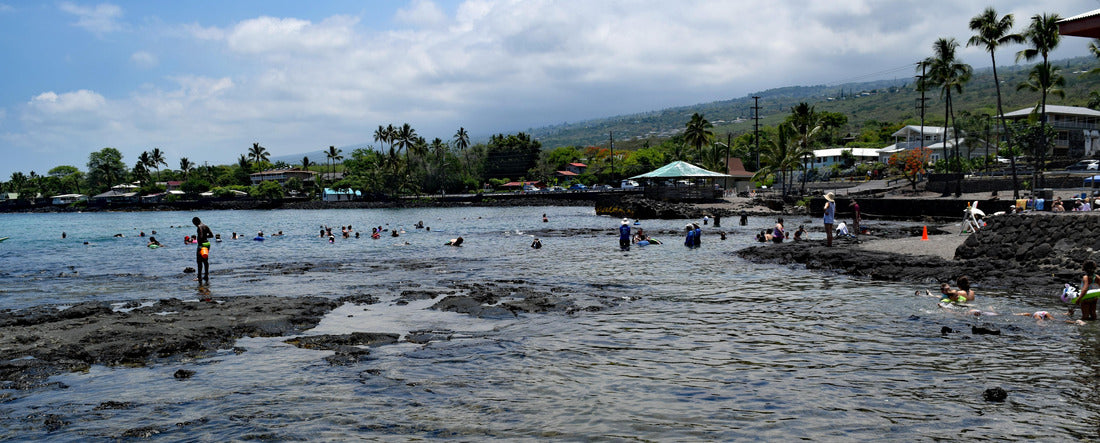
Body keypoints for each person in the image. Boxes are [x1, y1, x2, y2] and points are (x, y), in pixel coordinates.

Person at [192, 217, 213, 286]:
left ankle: (199, 277)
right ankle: (206, 276)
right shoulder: (206, 226)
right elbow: (211, 235)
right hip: (207, 244)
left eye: (194, 223)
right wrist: (205, 237)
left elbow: (200, 235)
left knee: (199, 261)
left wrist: (201, 238)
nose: (194, 225)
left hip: (201, 245)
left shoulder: (199, 227)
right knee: (205, 260)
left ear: (196, 222)